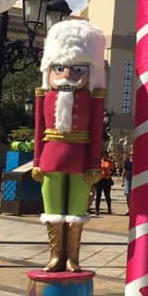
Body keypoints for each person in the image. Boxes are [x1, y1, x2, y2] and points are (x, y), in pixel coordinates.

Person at [31, 20, 106, 272]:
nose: (67, 76)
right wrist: (36, 161)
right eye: (60, 68)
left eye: (77, 70)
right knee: (52, 209)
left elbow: (96, 133)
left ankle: (72, 256)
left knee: (76, 210)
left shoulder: (93, 99)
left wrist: (95, 162)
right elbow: (39, 131)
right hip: (51, 157)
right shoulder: (44, 95)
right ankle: (55, 255)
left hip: (80, 157)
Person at [122, 151, 133, 215]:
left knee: (134, 195)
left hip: (134, 179)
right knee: (128, 195)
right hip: (128, 179)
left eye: (132, 154)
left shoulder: (137, 162)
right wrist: (123, 181)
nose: (131, 155)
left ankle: (133, 209)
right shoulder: (127, 162)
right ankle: (129, 210)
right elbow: (124, 171)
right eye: (131, 154)